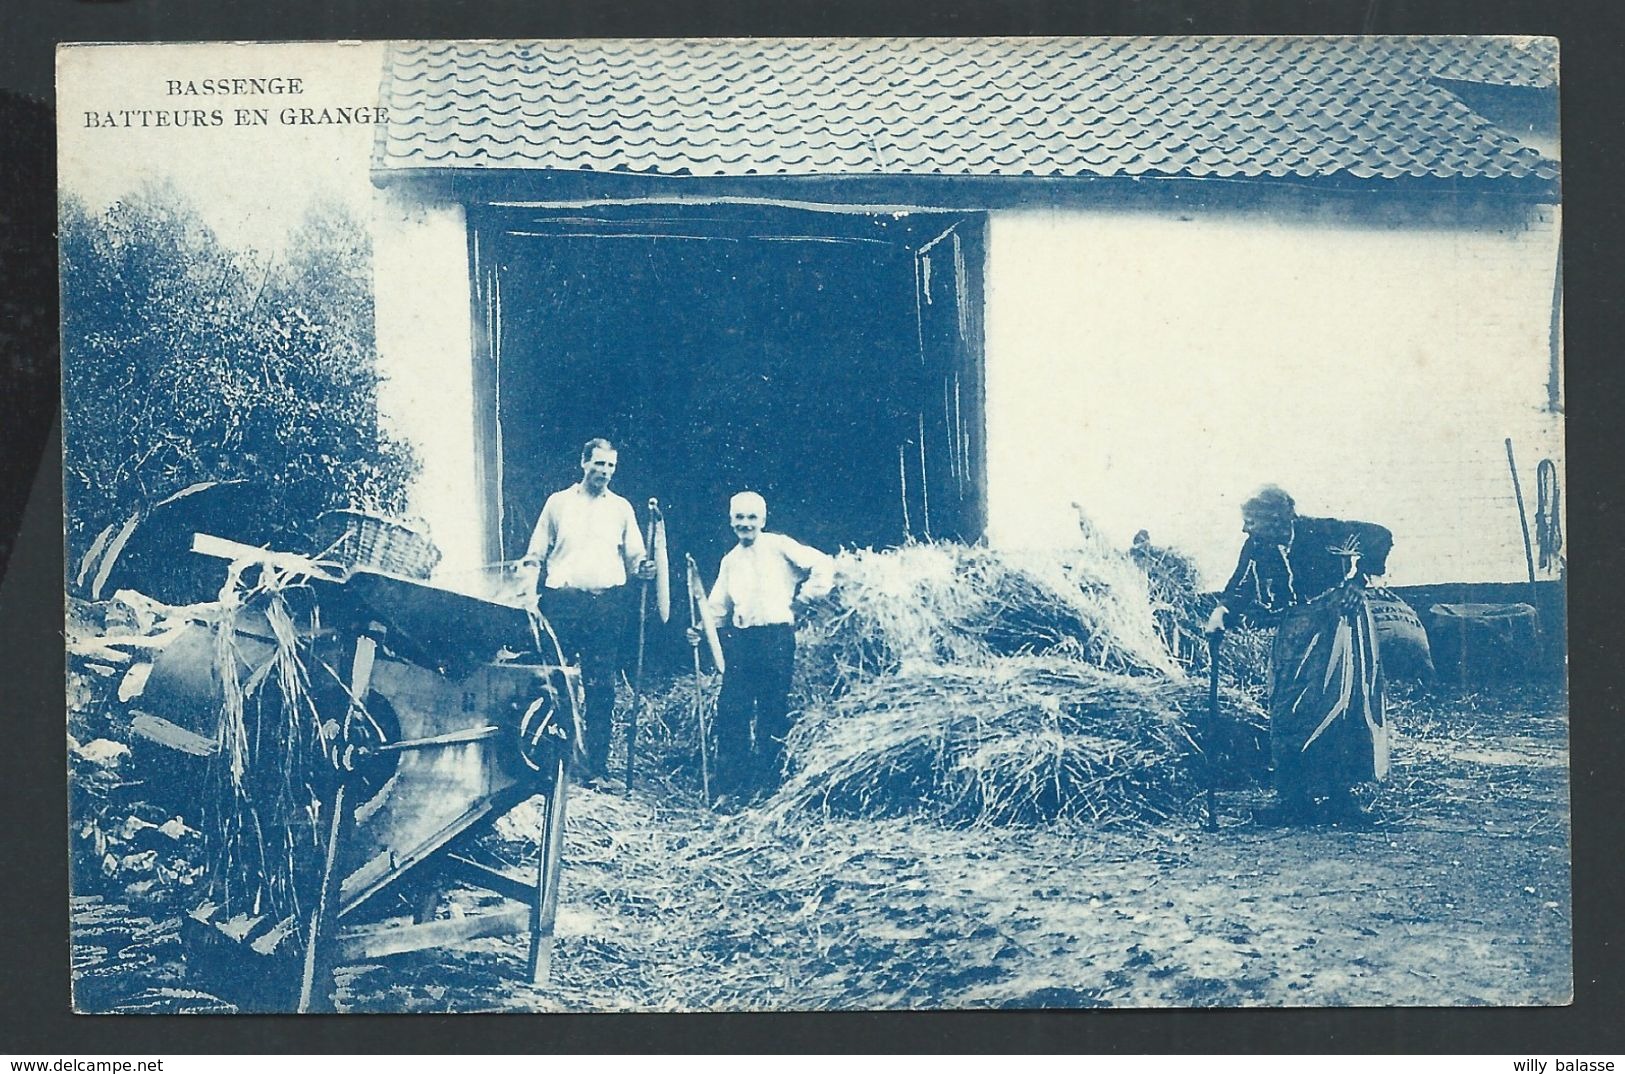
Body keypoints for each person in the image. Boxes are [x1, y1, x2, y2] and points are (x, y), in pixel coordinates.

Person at [1204, 485, 1393, 826]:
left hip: (1338, 624)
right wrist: (1220, 613)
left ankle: (1340, 799)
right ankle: (1295, 799)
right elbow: (1240, 587)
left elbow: (1379, 536)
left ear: (1276, 519)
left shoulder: (1322, 532)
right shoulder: (1257, 547)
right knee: (1286, 708)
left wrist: (1357, 582)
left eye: (1252, 521)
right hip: (1294, 629)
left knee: (1337, 707)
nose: (1245, 529)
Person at [520, 438, 655, 784]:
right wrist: (527, 592)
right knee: (555, 681)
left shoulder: (622, 508)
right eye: (598, 464)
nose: (604, 472)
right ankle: (551, 762)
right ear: (584, 464)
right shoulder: (558, 504)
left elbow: (636, 556)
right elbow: (536, 552)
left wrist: (645, 567)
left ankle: (596, 768)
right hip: (562, 604)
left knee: (600, 686)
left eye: (610, 466)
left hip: (605, 606)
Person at [688, 491, 834, 812]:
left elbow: (823, 563)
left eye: (752, 517)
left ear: (763, 520)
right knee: (732, 710)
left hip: (776, 639)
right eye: (739, 517)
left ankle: (769, 787)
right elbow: (717, 608)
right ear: (730, 521)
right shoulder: (730, 561)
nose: (745, 524)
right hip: (742, 642)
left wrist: (806, 598)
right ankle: (732, 786)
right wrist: (700, 629)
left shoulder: (780, 546)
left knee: (772, 710)